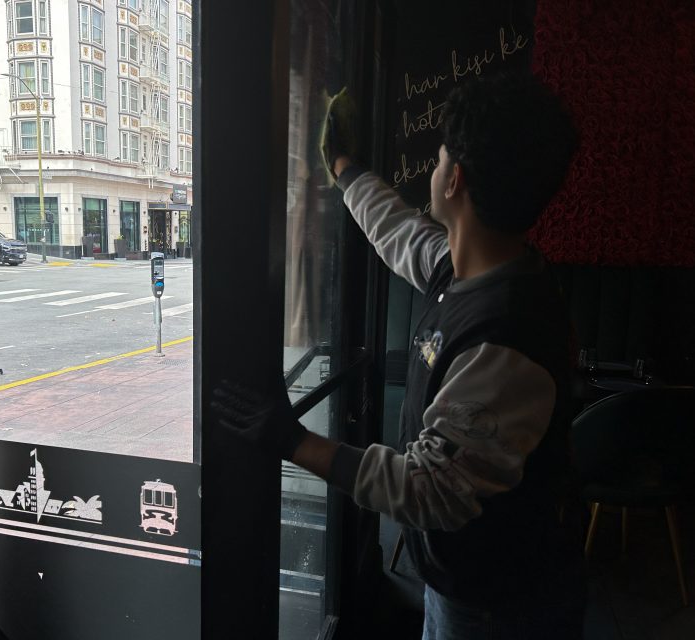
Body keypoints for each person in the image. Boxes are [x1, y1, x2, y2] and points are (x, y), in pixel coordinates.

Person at [213, 72, 585, 639]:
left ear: (454, 180)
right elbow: (399, 232)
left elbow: (428, 490)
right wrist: (343, 166)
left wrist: (293, 441)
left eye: (437, 160)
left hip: (497, 606)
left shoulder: (505, 339)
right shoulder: (475, 268)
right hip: (464, 580)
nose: (431, 172)